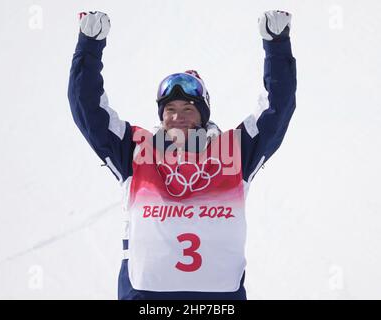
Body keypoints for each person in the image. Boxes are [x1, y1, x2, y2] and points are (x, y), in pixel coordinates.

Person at [68, 10, 297, 300]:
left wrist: (277, 46)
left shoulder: (234, 150)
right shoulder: (136, 149)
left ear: (203, 116)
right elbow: (88, 110)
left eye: (189, 109)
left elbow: (277, 109)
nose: (178, 117)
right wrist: (89, 46)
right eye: (170, 110)